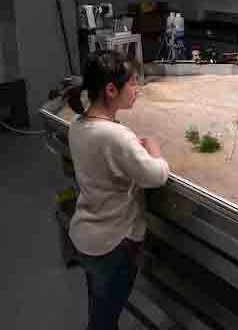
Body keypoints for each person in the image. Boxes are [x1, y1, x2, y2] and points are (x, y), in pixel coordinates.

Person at [66, 50, 169, 330]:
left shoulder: (77, 125)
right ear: (111, 89)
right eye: (133, 83)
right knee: (104, 319)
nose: (137, 89)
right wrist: (155, 149)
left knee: (99, 305)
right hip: (114, 243)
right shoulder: (116, 136)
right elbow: (155, 175)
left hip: (86, 234)